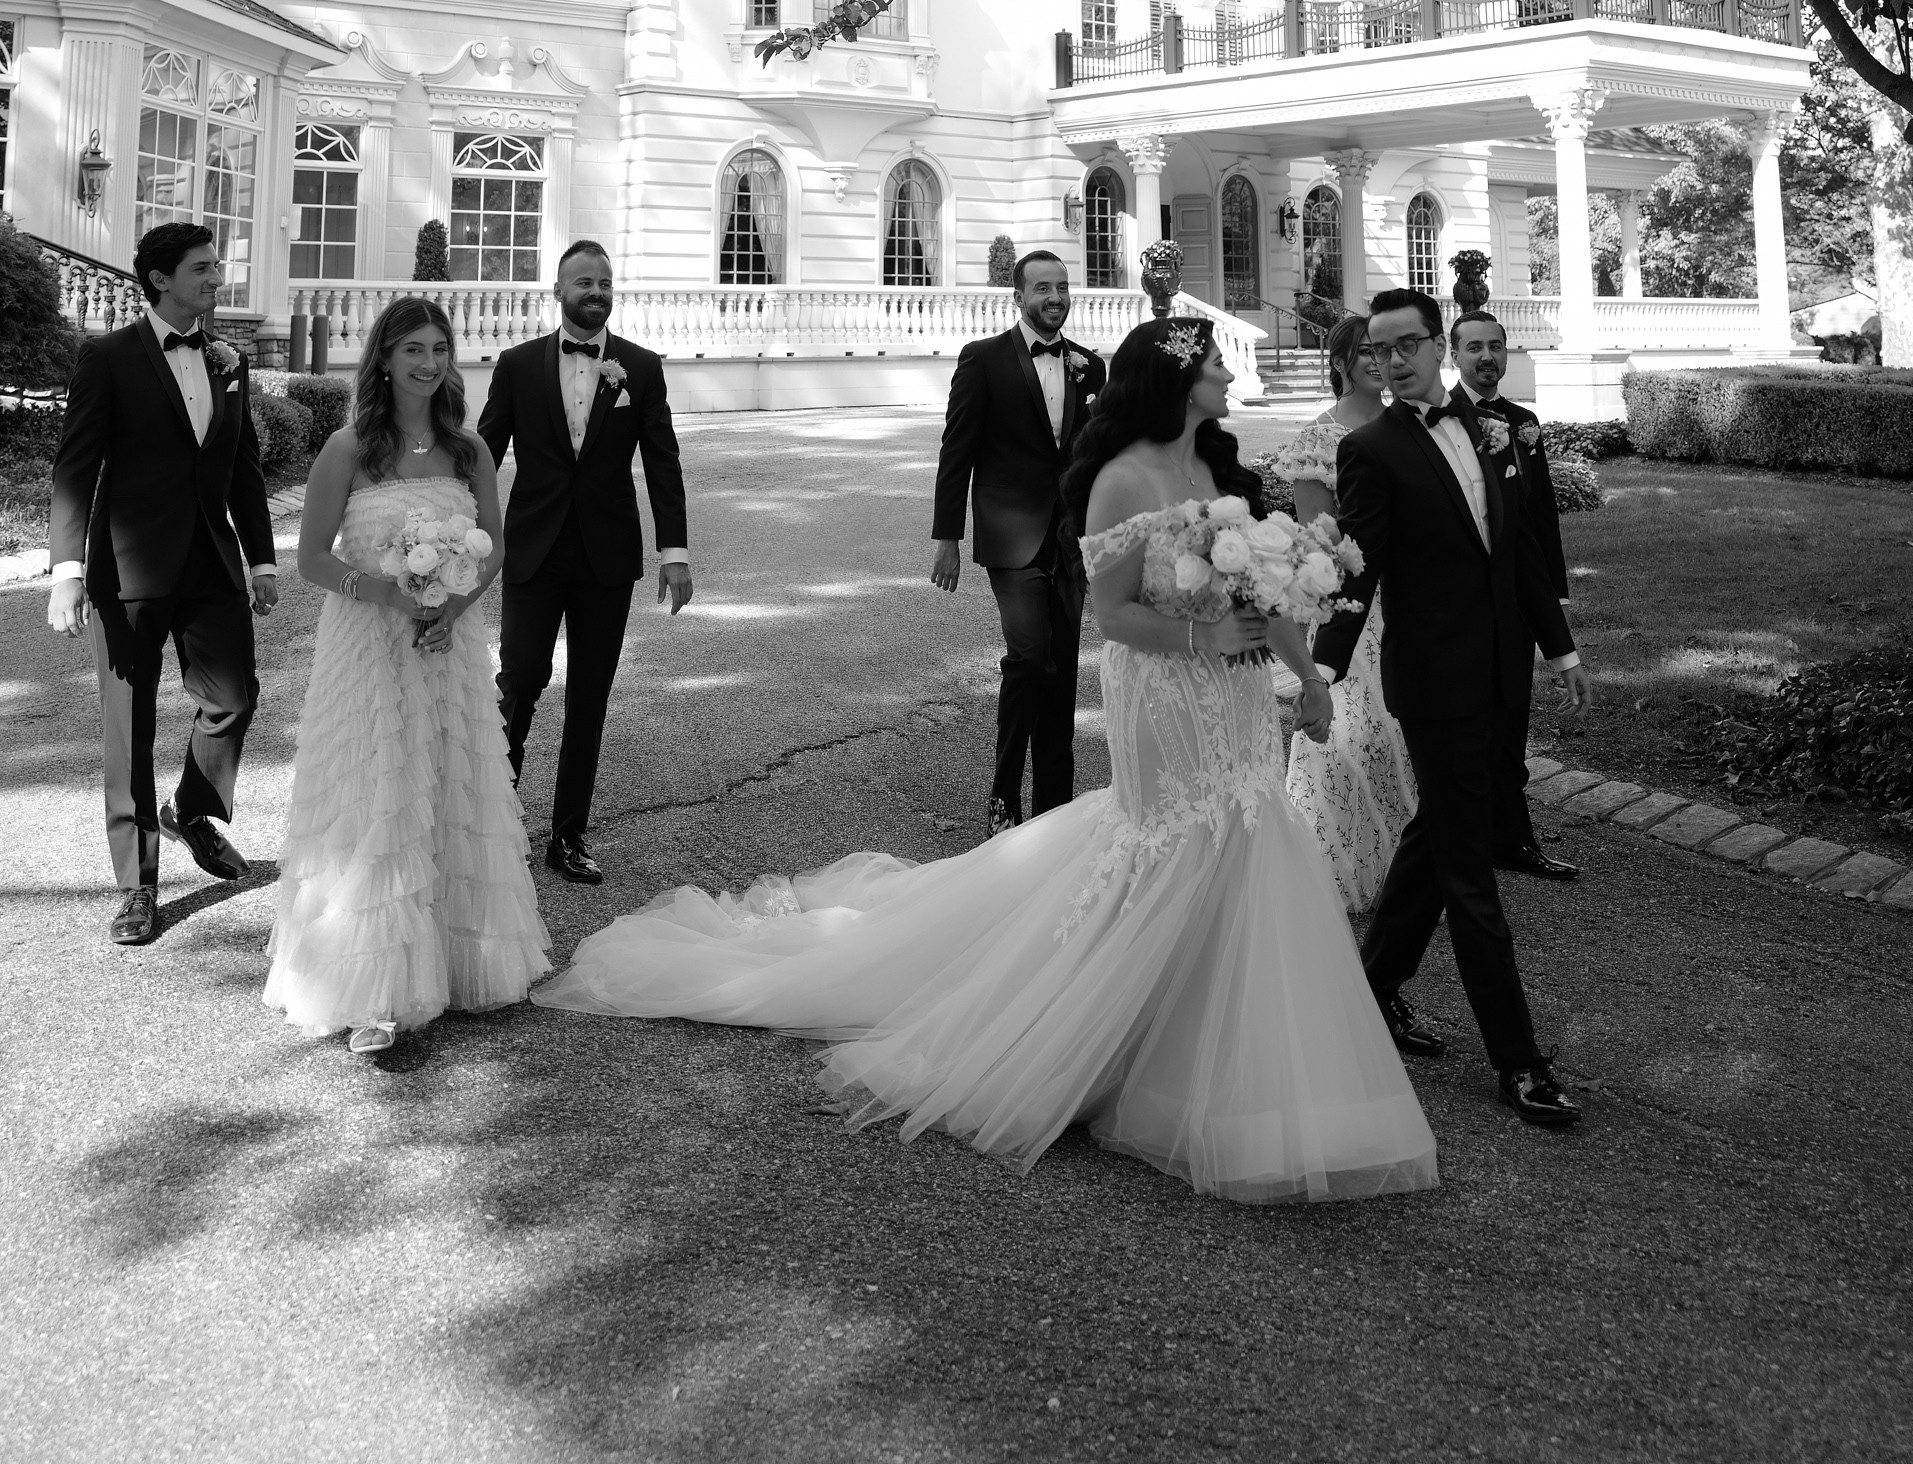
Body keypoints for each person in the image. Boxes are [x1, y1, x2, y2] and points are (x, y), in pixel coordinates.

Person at [534, 315, 1436, 1202]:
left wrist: (1306, 678)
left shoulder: (1217, 466)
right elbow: (1115, 616)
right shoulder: (1123, 478)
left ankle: (1219, 1047)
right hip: (1162, 692)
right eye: (1214, 364)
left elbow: (1263, 589)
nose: (1229, 377)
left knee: (1246, 838)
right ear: (1174, 378)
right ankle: (1098, 1036)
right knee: (1173, 840)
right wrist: (1206, 642)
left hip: (1234, 697)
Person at [1319, 288, 1590, 1134]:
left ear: (1437, 346)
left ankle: (1370, 988)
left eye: (1407, 345)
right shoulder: (1370, 450)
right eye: (1378, 350)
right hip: (1435, 685)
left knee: (1438, 833)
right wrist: (1321, 672)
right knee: (1470, 873)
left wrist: (1560, 645)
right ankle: (1520, 1060)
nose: (1393, 361)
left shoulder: (1495, 430)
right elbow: (1359, 573)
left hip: (1502, 672)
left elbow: (1516, 552)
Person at [265, 297, 549, 1055]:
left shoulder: (469, 450)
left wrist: (453, 610)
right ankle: (372, 989)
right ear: (384, 358)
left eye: (439, 349)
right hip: (366, 649)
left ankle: (455, 965)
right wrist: (387, 591)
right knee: (377, 793)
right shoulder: (348, 448)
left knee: (448, 784)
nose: (429, 363)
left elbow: (491, 551)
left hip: (446, 647)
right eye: (413, 349)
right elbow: (312, 558)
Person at [46, 222, 279, 949]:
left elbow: (238, 464)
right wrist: (67, 571)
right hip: (129, 570)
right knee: (129, 728)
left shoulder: (228, 360)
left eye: (216, 267)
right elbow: (75, 467)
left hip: (212, 563)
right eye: (203, 270)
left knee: (233, 697)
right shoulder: (108, 358)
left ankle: (192, 807)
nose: (216, 279)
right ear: (159, 279)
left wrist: (263, 559)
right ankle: (136, 886)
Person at [477, 241, 692, 885]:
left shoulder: (642, 368)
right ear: (559, 290)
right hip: (534, 552)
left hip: (607, 557)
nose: (595, 292)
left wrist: (674, 550)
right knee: (518, 682)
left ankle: (568, 836)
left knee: (590, 696)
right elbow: (483, 452)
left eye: (604, 282)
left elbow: (662, 461)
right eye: (582, 282)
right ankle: (490, 820)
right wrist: (447, 526)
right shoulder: (516, 366)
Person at [928, 249, 1104, 837]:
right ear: (1018, 296)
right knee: (1029, 659)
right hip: (1011, 535)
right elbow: (958, 452)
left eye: (1062, 287)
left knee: (1064, 676)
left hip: (1071, 543)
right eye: (1042, 288)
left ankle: (1055, 811)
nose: (1055, 297)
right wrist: (947, 536)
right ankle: (1004, 799)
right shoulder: (983, 360)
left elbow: (1096, 458)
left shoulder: (1089, 367)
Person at [1267, 311, 1416, 911]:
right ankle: (1329, 866)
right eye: (1365, 354)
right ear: (1341, 363)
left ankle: (1405, 873)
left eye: (1383, 352)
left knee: (1405, 733)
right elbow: (1314, 540)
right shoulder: (1318, 440)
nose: (1378, 363)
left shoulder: (1411, 425)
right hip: (1351, 603)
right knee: (1348, 734)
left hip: (1412, 599)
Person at [1449, 306, 1577, 882]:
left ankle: (1512, 839)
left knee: (1511, 721)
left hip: (1518, 601)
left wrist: (1553, 594)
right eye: (1473, 347)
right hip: (1458, 606)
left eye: (1495, 346)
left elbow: (1539, 515)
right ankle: (1461, 837)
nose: (1486, 357)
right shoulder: (1439, 422)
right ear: (1453, 356)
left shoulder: (1524, 422)